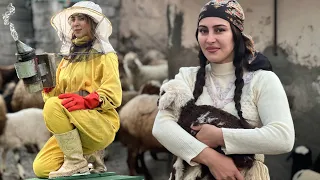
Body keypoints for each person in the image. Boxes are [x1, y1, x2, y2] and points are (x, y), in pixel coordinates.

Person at [152, 0, 295, 180]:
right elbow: (161, 127)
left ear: (235, 34)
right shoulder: (187, 77)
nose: (210, 39)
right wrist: (212, 159)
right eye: (203, 30)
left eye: (220, 29)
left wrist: (220, 136)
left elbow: (283, 137)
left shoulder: (262, 80)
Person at [32, 1, 122, 178]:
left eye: (81, 18)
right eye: (72, 19)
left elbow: (114, 93)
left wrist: (87, 101)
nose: (75, 23)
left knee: (52, 105)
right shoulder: (67, 59)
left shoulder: (106, 55)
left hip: (99, 124)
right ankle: (87, 158)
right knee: (41, 168)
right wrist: (49, 88)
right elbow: (56, 101)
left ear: (93, 23)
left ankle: (75, 162)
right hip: (73, 128)